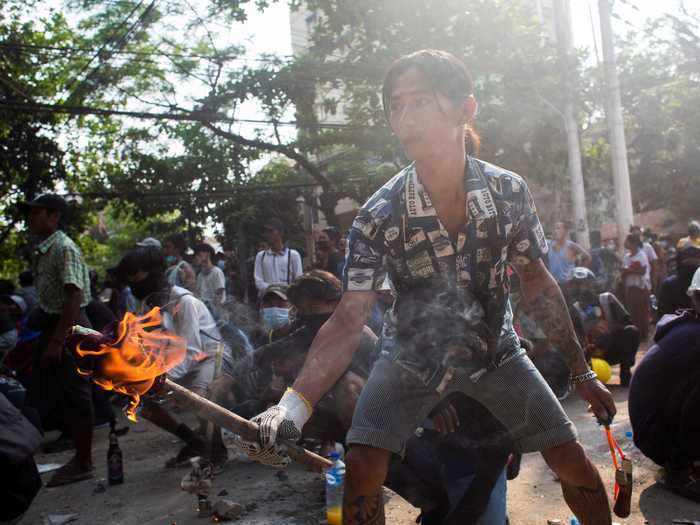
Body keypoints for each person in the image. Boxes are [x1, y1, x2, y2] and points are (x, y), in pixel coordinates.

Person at [243, 50, 615, 525]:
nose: (405, 117)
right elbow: (348, 318)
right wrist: (290, 406)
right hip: (409, 359)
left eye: (420, 101)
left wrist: (582, 374)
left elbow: (537, 283)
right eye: (396, 106)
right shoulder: (378, 214)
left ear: (466, 109)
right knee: (361, 465)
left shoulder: (508, 193)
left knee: (569, 457)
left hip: (497, 354)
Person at [116, 247, 225, 467]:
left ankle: (217, 451)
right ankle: (193, 440)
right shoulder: (146, 305)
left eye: (135, 276)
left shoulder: (184, 302)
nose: (131, 283)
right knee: (138, 401)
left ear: (153, 274)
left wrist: (161, 377)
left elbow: (192, 352)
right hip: (177, 364)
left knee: (197, 396)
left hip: (210, 358)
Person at [20, 194, 95, 486]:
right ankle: (78, 453)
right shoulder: (46, 250)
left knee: (77, 393)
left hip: (70, 326)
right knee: (61, 392)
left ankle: (84, 461)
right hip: (58, 325)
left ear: (53, 216)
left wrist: (57, 341)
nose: (31, 218)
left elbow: (73, 296)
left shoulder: (64, 248)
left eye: (36, 213)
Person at [628, 267, 700, 503]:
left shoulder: (688, 325)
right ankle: (678, 471)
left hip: (658, 427)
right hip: (657, 437)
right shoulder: (692, 335)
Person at [566, 267, 640, 386]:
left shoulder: (607, 298)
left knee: (632, 331)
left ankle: (625, 372)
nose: (581, 288)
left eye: (584, 284)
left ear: (592, 284)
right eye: (577, 285)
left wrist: (608, 334)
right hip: (591, 356)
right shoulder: (573, 310)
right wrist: (589, 346)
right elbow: (575, 337)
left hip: (613, 348)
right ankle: (582, 379)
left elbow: (627, 322)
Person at [253, 218, 303, 294]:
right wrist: (276, 290)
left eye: (271, 231)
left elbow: (298, 281)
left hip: (287, 302)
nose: (267, 235)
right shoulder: (261, 256)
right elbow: (258, 282)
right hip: (267, 301)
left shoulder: (293, 255)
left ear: (281, 233)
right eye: (266, 232)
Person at [621, 233, 652, 340]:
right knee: (633, 314)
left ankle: (644, 335)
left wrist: (629, 270)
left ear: (633, 242)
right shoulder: (626, 256)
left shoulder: (641, 255)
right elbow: (623, 273)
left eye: (628, 241)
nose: (626, 243)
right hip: (630, 288)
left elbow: (643, 271)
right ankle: (636, 336)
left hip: (641, 288)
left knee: (642, 313)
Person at [657, 245, 700, 317]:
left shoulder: (669, 283)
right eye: (687, 266)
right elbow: (664, 315)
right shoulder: (670, 284)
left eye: (694, 267)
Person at [194, 243, 227, 315]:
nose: (195, 257)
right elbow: (198, 294)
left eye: (198, 255)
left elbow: (219, 297)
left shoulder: (216, 272)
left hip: (215, 314)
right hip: (204, 312)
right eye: (196, 255)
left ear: (207, 255)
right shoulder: (200, 275)